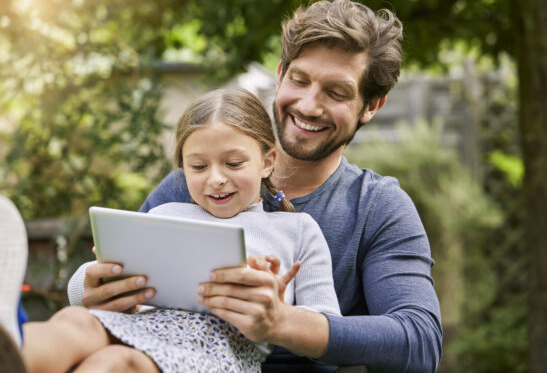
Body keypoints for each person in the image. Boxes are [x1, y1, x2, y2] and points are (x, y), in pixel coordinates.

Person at [69, 0, 443, 372]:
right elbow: (123, 287)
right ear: (280, 75)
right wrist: (95, 288)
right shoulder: (190, 184)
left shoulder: (377, 206)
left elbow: (419, 341)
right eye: (299, 80)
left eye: (336, 92)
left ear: (371, 105)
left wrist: (283, 323)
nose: (309, 105)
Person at [1, 88, 341, 373]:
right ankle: (10, 345)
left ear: (267, 162)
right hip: (140, 322)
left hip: (214, 350)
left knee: (118, 362)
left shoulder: (296, 229)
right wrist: (94, 276)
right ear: (182, 168)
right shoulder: (166, 214)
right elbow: (89, 290)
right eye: (198, 166)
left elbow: (326, 329)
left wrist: (280, 312)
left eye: (234, 163)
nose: (216, 178)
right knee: (76, 321)